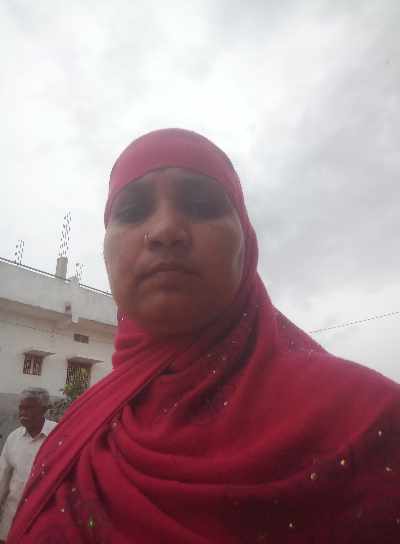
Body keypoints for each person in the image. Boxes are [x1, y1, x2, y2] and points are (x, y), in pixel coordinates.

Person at [8, 129, 400, 543]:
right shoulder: (79, 430)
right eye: (133, 210)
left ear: (247, 242)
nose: (165, 229)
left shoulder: (369, 425)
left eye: (200, 205)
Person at [0, 388, 56, 542]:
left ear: (44, 409)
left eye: (29, 408)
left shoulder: (58, 435)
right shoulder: (14, 437)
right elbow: (3, 476)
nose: (23, 413)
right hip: (11, 520)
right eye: (21, 408)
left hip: (43, 521)